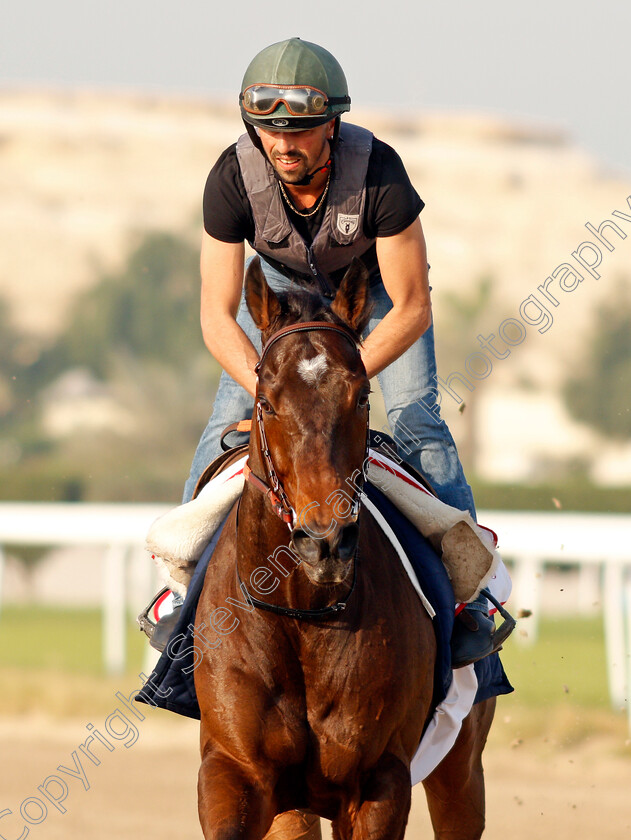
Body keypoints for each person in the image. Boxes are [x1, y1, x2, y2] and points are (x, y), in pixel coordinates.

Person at [145, 37, 506, 665]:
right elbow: (215, 315)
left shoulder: (381, 173)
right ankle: (180, 592)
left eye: (302, 130)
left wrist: (332, 386)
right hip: (281, 304)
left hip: (376, 298)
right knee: (221, 433)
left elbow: (414, 305)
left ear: (332, 125)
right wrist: (278, 390)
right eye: (269, 129)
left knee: (419, 423)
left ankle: (470, 597)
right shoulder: (231, 178)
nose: (284, 144)